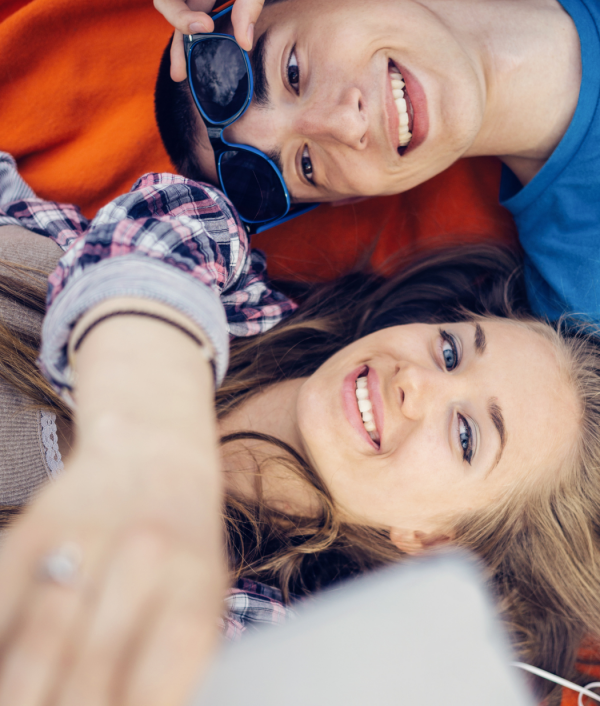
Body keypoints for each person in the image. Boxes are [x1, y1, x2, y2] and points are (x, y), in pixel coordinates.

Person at [0, 150, 599, 706]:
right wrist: (157, 454)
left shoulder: (251, 635)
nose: (417, 383)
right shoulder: (225, 280)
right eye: (451, 350)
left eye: (466, 435)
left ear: (435, 540)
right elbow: (159, 239)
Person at [146, 0, 600, 333]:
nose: (345, 126)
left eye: (293, 72)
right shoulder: (581, 306)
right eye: (307, 165)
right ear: (349, 197)